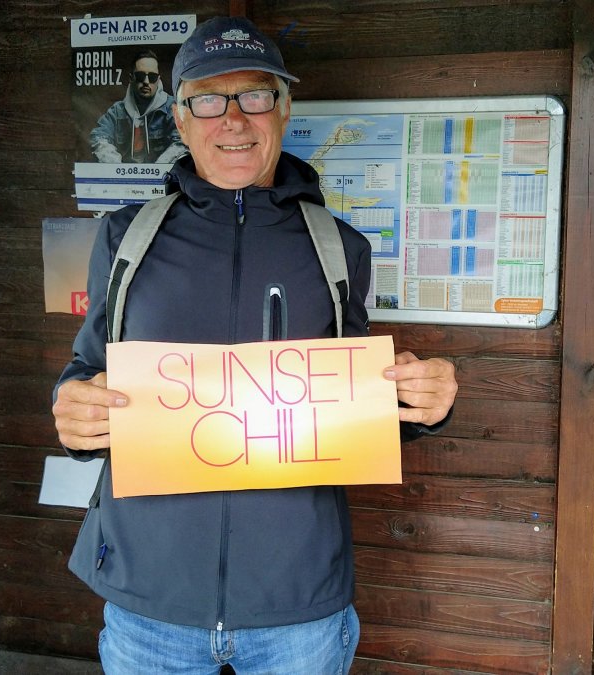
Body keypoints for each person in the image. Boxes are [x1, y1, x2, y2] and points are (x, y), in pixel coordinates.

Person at [52, 16, 458, 675]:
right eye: (208, 100)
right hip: (150, 603)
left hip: (297, 606)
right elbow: (88, 368)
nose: (234, 119)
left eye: (255, 95)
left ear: (285, 107)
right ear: (180, 119)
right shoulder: (126, 239)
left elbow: (354, 406)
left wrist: (420, 404)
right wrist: (73, 406)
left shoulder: (338, 248)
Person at [89, 49, 187, 163]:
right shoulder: (117, 111)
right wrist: (116, 166)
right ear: (131, 78)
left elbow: (182, 141)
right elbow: (98, 136)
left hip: (162, 173)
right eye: (140, 76)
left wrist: (159, 168)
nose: (146, 81)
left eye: (152, 77)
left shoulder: (172, 108)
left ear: (158, 79)